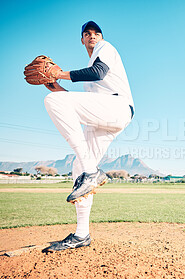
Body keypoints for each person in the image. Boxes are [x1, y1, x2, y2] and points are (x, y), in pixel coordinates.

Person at [42, 21, 134, 252]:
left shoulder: (106, 49)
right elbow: (81, 102)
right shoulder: (89, 66)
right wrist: (56, 86)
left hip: (117, 107)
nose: (92, 36)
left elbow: (98, 72)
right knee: (78, 170)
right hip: (104, 116)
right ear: (82, 40)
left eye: (96, 33)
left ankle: (92, 172)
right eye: (87, 34)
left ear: (100, 37)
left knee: (52, 103)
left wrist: (59, 73)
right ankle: (82, 234)